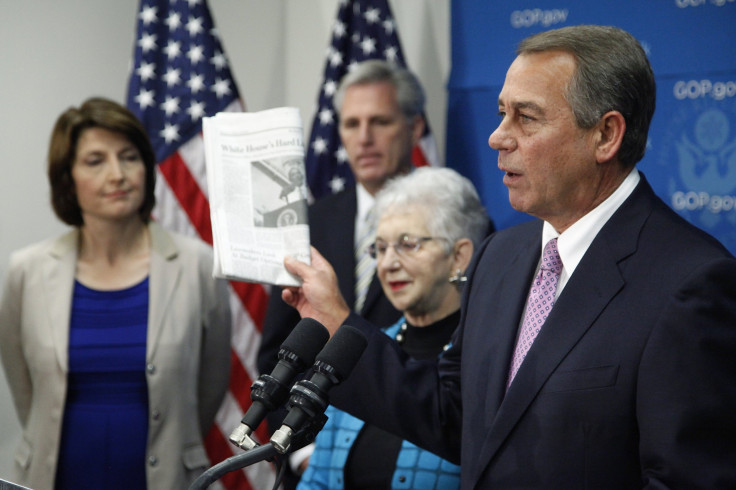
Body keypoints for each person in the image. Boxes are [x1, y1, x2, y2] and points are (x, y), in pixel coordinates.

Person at [279, 25, 736, 488]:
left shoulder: (689, 283)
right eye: (501, 113)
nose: (498, 137)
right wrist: (337, 322)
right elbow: (455, 416)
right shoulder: (498, 257)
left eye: (527, 118)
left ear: (605, 135)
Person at [0, 97, 232, 490]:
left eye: (129, 157)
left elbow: (210, 385)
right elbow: (27, 392)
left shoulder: (196, 265)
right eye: (95, 161)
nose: (118, 174)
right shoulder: (27, 270)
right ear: (67, 179)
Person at [257, 59, 432, 481]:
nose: (364, 138)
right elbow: (276, 350)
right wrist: (300, 452)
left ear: (415, 127)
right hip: (311, 460)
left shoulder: (452, 224)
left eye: (380, 121)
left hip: (406, 457)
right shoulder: (308, 224)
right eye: (351, 124)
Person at [297, 167, 490, 490]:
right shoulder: (359, 351)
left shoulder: (489, 356)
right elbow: (318, 478)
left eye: (407, 244)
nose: (387, 263)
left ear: (459, 256)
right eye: (381, 248)